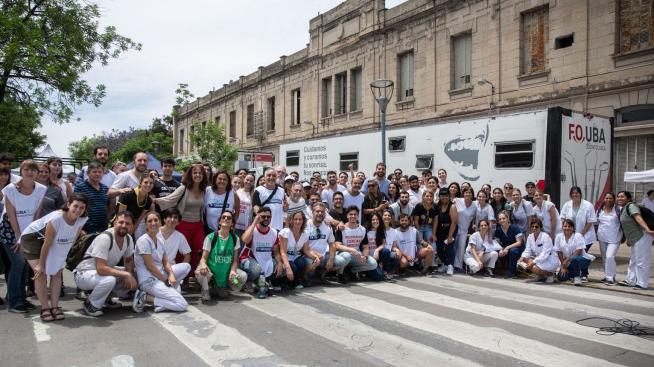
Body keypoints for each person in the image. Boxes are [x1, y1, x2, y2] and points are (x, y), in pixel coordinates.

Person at [20, 193, 88, 321]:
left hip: (55, 241)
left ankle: (55, 307)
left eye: (82, 207)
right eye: (75, 206)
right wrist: (40, 264)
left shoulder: (82, 219)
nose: (78, 210)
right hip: (33, 239)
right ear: (68, 204)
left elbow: (71, 241)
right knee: (40, 273)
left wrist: (61, 261)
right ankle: (45, 308)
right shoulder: (56, 219)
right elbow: (46, 244)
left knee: (57, 272)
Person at [1, 160, 46, 313]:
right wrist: (19, 237)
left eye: (34, 169)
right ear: (21, 171)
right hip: (10, 231)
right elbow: (12, 216)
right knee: (18, 263)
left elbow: (36, 215)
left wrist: (28, 236)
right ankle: (14, 302)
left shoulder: (41, 189)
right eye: (26, 169)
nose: (30, 172)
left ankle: (21, 298)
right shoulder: (10, 189)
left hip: (29, 231)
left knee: (26, 265)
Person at [73, 211, 138, 317]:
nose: (124, 225)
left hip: (100, 273)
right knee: (109, 279)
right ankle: (90, 304)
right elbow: (101, 269)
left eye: (127, 223)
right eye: (121, 222)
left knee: (134, 273)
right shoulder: (105, 238)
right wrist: (126, 274)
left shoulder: (128, 239)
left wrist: (129, 274)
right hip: (84, 274)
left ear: (132, 226)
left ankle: (105, 299)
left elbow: (128, 261)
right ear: (114, 223)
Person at [155, 162, 209, 276]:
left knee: (199, 250)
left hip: (198, 225)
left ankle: (195, 276)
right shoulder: (183, 188)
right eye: (195, 173)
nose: (197, 175)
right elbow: (168, 200)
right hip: (183, 223)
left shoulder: (205, 190)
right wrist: (153, 200)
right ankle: (181, 276)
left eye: (200, 173)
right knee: (182, 252)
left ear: (203, 175)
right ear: (191, 174)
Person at [132, 211, 188, 313]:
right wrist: (165, 280)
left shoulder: (159, 239)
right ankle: (145, 298)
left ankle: (162, 302)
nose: (153, 223)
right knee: (182, 304)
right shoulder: (143, 241)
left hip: (161, 275)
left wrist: (171, 274)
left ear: (160, 222)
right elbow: (150, 267)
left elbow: (165, 261)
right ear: (146, 225)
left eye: (155, 220)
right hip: (149, 280)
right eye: (150, 221)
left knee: (186, 266)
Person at [195, 210, 247, 301]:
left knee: (242, 277)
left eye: (229, 218)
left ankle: (221, 287)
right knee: (201, 272)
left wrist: (233, 271)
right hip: (212, 272)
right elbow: (203, 258)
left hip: (225, 272)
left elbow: (235, 260)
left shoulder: (235, 238)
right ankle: (206, 289)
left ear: (232, 223)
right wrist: (203, 265)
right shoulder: (211, 237)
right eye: (223, 217)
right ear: (219, 221)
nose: (226, 219)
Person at [239, 207, 285, 289]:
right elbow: (245, 239)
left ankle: (263, 281)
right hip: (248, 259)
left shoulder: (274, 232)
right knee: (256, 270)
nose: (266, 218)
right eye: (263, 216)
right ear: (258, 217)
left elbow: (276, 252)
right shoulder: (252, 229)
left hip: (266, 260)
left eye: (268, 217)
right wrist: (254, 223)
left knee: (284, 269)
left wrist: (280, 263)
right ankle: (249, 282)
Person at [617, 191, 654, 290]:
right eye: (618, 197)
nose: (620, 198)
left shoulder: (631, 206)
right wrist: (624, 238)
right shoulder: (623, 209)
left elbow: (638, 218)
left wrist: (647, 229)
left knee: (642, 261)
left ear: (628, 198)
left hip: (642, 235)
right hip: (635, 238)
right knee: (633, 260)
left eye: (622, 196)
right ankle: (631, 280)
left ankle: (642, 283)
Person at [303, 202, 347, 283]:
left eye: (322, 212)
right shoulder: (305, 226)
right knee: (310, 265)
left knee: (341, 261)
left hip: (324, 255)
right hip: (309, 255)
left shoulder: (327, 226)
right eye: (317, 211)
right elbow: (305, 248)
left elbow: (332, 244)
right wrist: (315, 256)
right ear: (312, 212)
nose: (320, 213)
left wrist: (331, 259)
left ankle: (322, 274)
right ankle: (304, 278)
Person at [334, 206, 380, 282]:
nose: (353, 216)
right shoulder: (341, 228)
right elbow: (337, 246)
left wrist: (365, 256)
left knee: (373, 264)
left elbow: (365, 247)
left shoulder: (362, 229)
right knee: (347, 255)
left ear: (358, 216)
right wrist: (351, 249)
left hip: (357, 255)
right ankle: (340, 274)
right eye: (351, 214)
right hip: (343, 254)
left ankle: (352, 271)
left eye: (355, 214)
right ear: (347, 215)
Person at [74, 161, 110, 235]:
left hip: (103, 227)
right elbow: (74, 208)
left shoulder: (105, 188)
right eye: (94, 172)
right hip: (86, 228)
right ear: (88, 173)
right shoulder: (80, 187)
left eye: (100, 172)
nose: (97, 174)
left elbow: (108, 206)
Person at [276, 211, 310, 289]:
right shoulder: (286, 232)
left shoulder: (305, 233)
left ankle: (294, 283)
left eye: (300, 219)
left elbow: (306, 250)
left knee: (302, 262)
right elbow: (283, 252)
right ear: (291, 220)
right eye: (295, 219)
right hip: (283, 257)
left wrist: (316, 258)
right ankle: (279, 282)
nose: (298, 221)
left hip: (294, 256)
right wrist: (288, 268)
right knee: (292, 267)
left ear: (303, 221)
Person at [555, 219, 594, 285]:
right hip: (567, 262)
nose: (567, 228)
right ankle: (573, 274)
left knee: (575, 259)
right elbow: (559, 251)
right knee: (561, 277)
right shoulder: (559, 236)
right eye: (565, 226)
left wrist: (566, 261)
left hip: (581, 259)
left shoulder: (578, 235)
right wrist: (563, 266)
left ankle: (577, 277)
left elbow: (578, 251)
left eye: (569, 226)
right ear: (562, 227)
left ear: (573, 228)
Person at [519, 219, 559, 283]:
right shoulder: (530, 237)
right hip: (539, 259)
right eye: (532, 226)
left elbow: (544, 254)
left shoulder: (546, 237)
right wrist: (522, 257)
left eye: (536, 226)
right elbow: (527, 250)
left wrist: (533, 262)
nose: (534, 228)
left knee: (534, 267)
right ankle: (540, 276)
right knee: (523, 260)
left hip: (550, 260)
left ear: (540, 227)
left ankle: (550, 275)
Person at [559, 186, 597, 251]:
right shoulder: (567, 205)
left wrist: (581, 234)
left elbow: (590, 222)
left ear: (580, 194)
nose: (574, 195)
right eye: (572, 193)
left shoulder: (588, 205)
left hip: (585, 235)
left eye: (576, 193)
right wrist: (565, 231)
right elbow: (562, 218)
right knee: (573, 255)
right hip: (570, 235)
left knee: (580, 254)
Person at [596, 192, 622, 285]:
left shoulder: (618, 210)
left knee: (610, 256)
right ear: (604, 199)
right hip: (602, 237)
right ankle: (608, 276)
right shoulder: (600, 209)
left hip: (614, 238)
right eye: (606, 198)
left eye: (610, 198)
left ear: (614, 200)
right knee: (604, 258)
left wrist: (624, 236)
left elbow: (623, 223)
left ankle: (611, 279)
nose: (608, 200)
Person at [159, 208, 191, 273]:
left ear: (178, 222)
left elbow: (187, 255)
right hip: (154, 266)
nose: (172, 220)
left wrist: (181, 271)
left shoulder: (180, 236)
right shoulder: (155, 232)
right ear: (164, 219)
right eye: (170, 217)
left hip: (171, 268)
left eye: (175, 217)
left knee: (187, 266)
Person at [494, 210, 524, 278]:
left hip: (517, 248)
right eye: (500, 219)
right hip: (506, 248)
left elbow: (519, 242)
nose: (502, 220)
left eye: (504, 218)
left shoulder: (515, 228)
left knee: (513, 251)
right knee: (497, 252)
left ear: (508, 218)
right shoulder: (498, 230)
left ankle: (512, 272)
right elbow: (497, 243)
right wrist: (501, 250)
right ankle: (499, 269)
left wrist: (507, 248)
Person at [435, 188, 458, 275]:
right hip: (440, 230)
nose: (444, 197)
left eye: (446, 195)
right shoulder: (437, 205)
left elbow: (454, 222)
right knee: (439, 247)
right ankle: (445, 264)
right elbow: (436, 220)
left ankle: (450, 265)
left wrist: (450, 236)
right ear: (439, 196)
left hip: (451, 228)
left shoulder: (452, 206)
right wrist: (434, 233)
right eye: (442, 195)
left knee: (449, 246)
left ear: (449, 196)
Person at [412, 191, 437, 267]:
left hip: (428, 227)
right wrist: (419, 234)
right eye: (427, 196)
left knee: (432, 243)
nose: (429, 198)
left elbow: (436, 220)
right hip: (419, 227)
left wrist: (433, 234)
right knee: (420, 244)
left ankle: (431, 264)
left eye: (431, 196)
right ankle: (420, 265)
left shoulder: (435, 207)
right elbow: (416, 221)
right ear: (423, 197)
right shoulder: (419, 206)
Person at [453, 188, 476, 271]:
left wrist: (475, 225)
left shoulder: (475, 205)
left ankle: (458, 266)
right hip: (454, 228)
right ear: (463, 193)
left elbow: (477, 216)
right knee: (453, 247)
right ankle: (450, 264)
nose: (468, 194)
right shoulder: (457, 200)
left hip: (464, 230)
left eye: (470, 193)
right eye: (466, 193)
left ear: (472, 194)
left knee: (461, 247)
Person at [366, 212, 394, 280]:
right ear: (370, 221)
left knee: (386, 251)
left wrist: (377, 250)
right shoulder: (365, 231)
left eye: (377, 219)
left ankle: (385, 271)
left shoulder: (381, 231)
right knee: (378, 277)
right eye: (373, 220)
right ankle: (365, 271)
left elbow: (383, 244)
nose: (375, 221)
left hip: (377, 257)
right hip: (368, 258)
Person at [235, 173, 255, 237]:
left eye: (251, 181)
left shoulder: (254, 194)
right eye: (247, 179)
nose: (248, 182)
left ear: (253, 183)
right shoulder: (237, 192)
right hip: (235, 224)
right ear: (244, 180)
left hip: (246, 226)